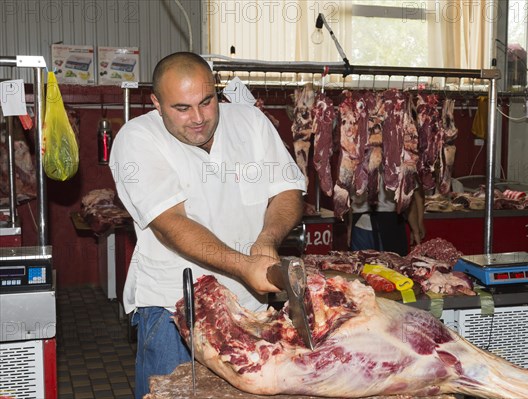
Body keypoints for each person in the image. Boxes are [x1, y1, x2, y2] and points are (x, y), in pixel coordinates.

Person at [109, 52, 305, 398]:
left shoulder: (251, 122)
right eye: (181, 108)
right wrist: (243, 264)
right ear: (156, 102)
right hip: (175, 309)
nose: (198, 118)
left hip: (251, 307)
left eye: (206, 101)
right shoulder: (137, 139)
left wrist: (267, 238)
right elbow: (170, 223)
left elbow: (287, 190)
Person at [351, 182, 425, 255]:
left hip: (359, 227)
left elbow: (345, 200)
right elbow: (408, 200)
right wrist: (416, 230)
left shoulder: (351, 169)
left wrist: (349, 229)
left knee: (360, 264)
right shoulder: (399, 169)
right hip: (389, 225)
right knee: (391, 265)